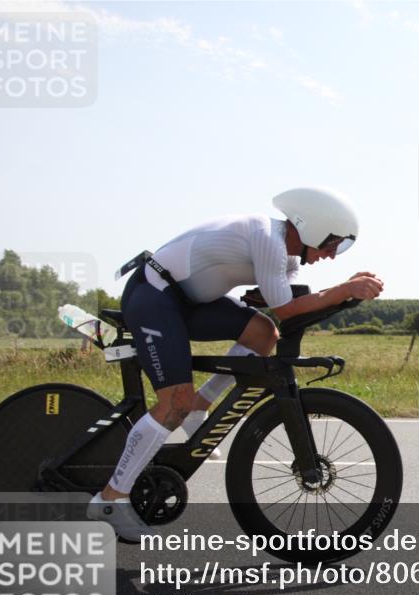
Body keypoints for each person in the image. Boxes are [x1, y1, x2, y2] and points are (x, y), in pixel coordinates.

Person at [86, 188, 383, 540]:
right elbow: (288, 309)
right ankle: (110, 500)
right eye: (331, 244)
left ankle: (202, 403)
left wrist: (341, 291)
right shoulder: (268, 239)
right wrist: (344, 289)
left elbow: (284, 305)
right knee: (174, 402)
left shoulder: (286, 257)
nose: (331, 255)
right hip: (154, 296)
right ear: (311, 227)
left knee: (263, 334)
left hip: (188, 302)